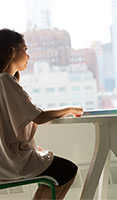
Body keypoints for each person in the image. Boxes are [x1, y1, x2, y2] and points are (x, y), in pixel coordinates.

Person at [0, 28, 84, 200]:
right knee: (68, 171)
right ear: (12, 50)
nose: (28, 56)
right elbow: (38, 116)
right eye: (25, 49)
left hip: (6, 158)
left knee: (54, 176)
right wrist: (69, 109)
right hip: (11, 162)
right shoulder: (5, 81)